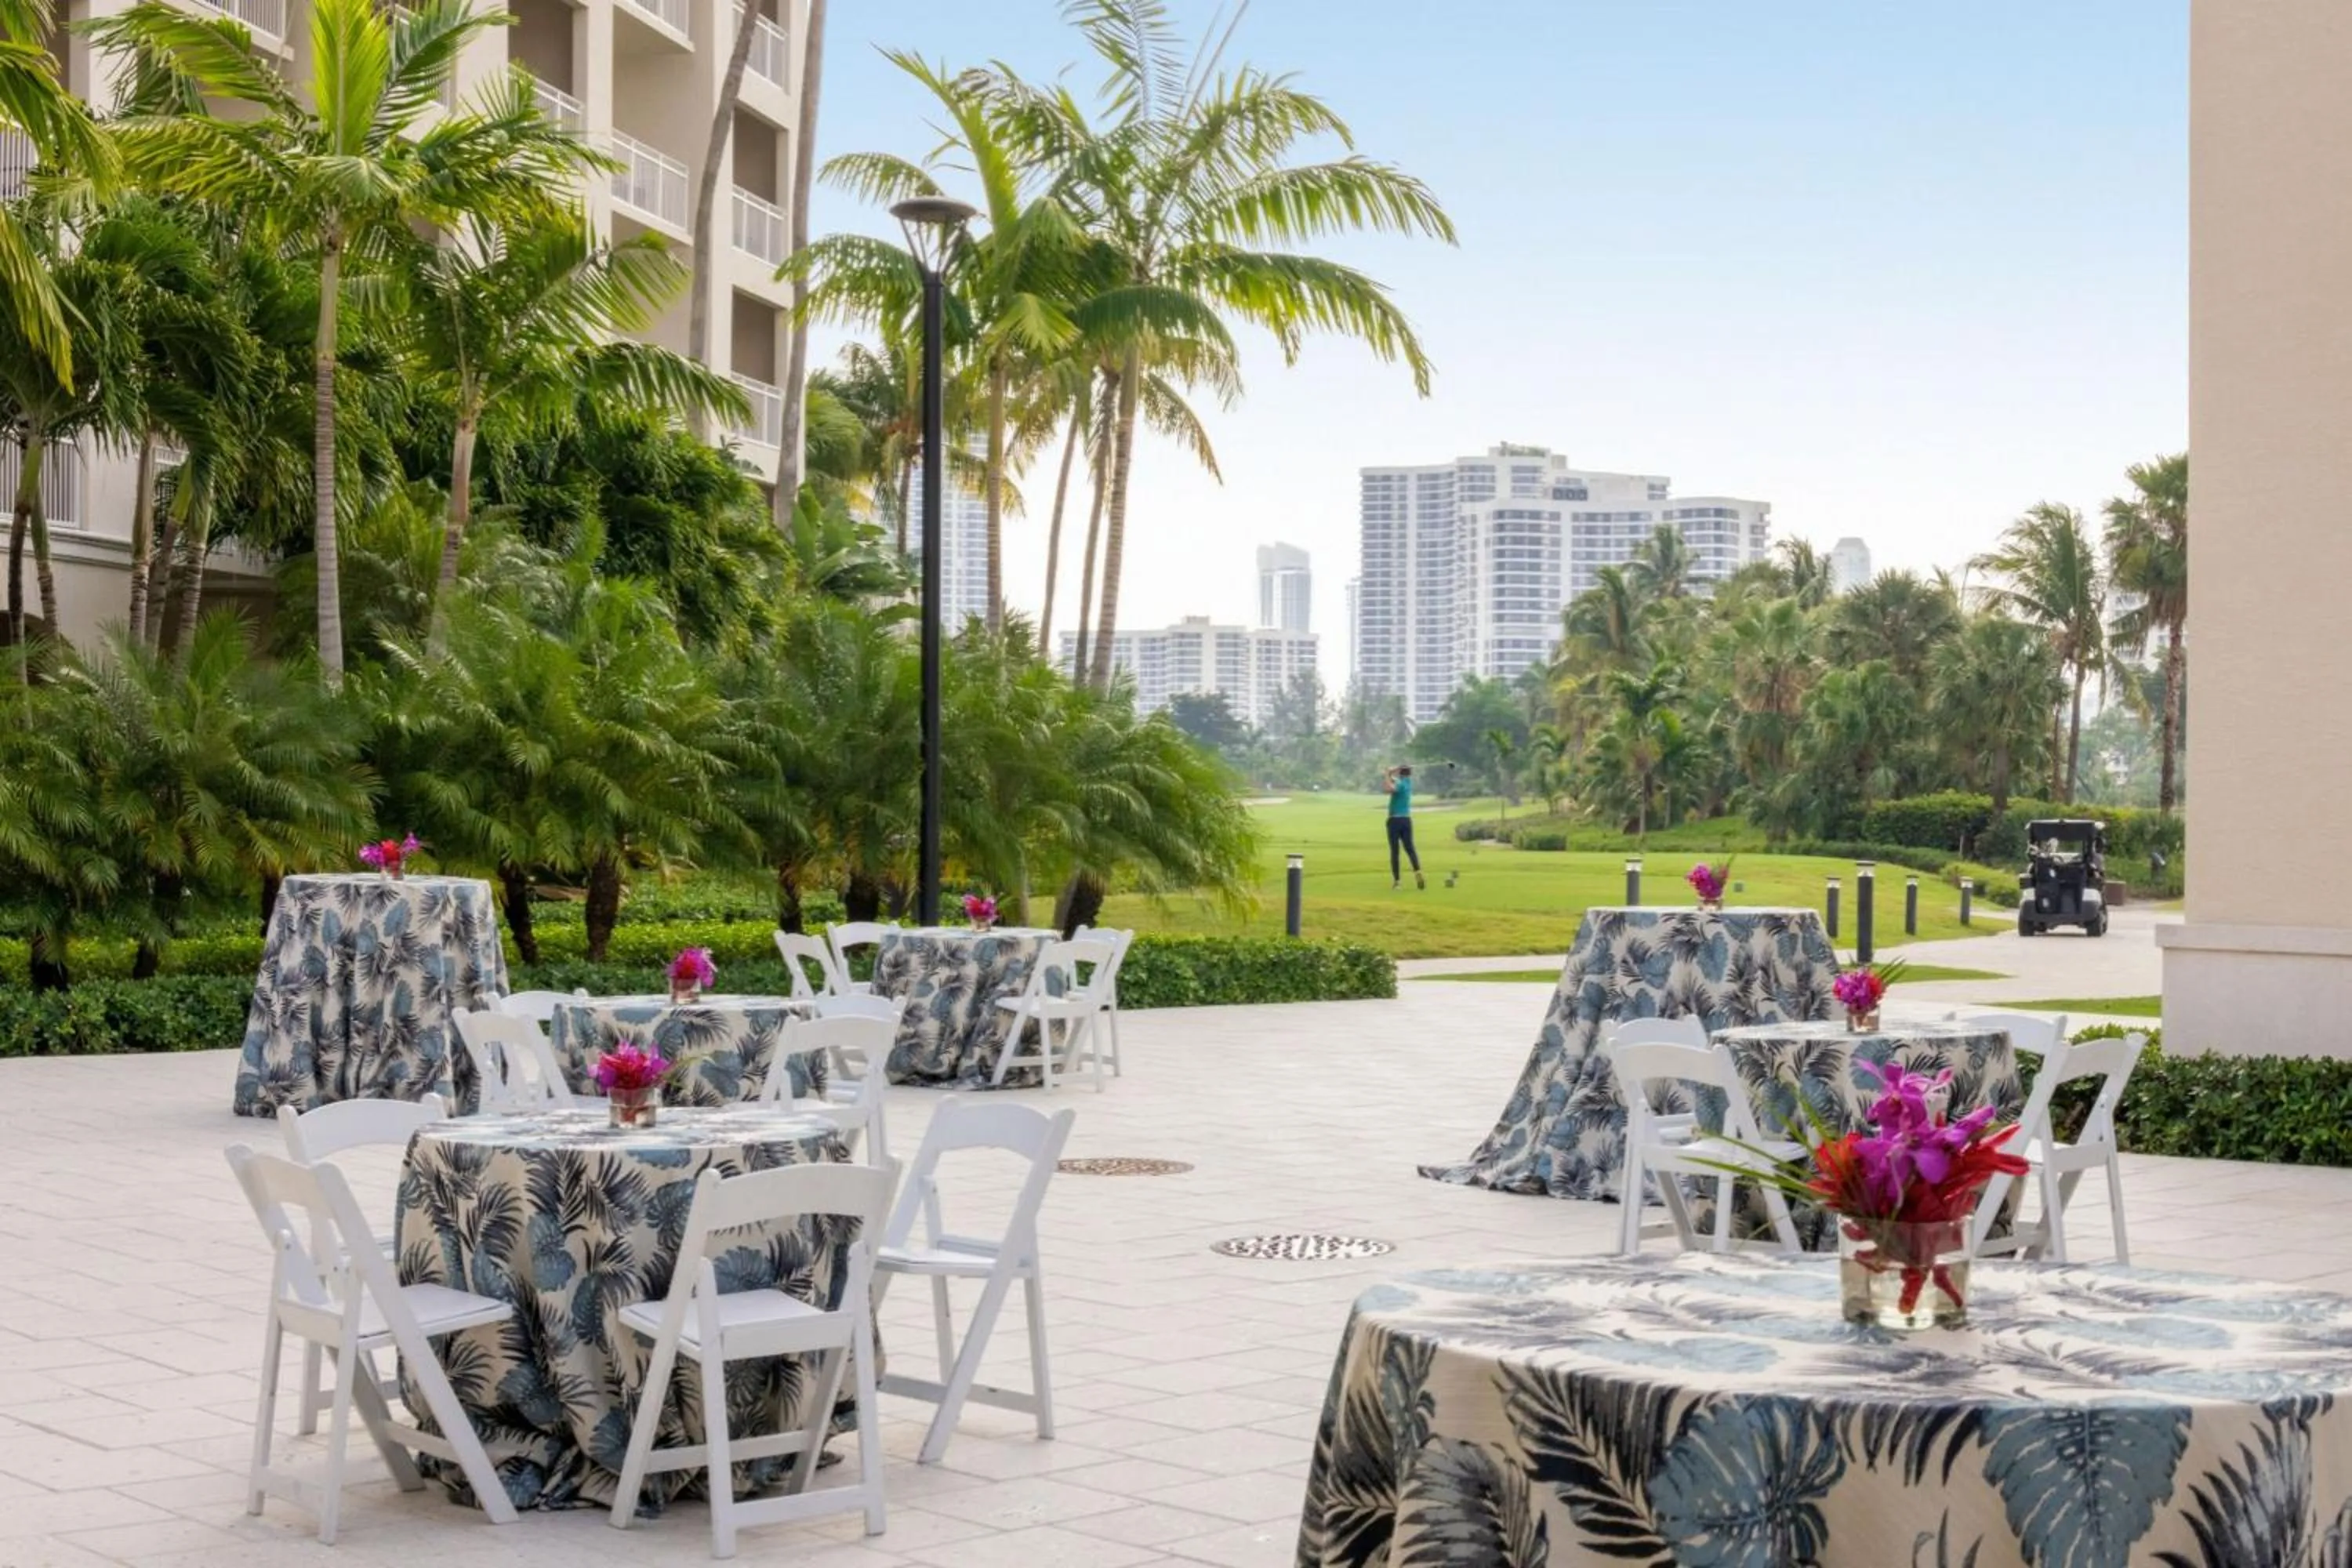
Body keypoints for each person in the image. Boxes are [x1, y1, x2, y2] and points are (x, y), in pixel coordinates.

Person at [1382, 765, 1424, 890]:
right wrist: (1391, 773)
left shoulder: (1400, 784)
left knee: (1395, 851)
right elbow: (1394, 781)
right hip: (1406, 820)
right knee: (1410, 849)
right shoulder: (1408, 783)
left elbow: (1389, 789)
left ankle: (1397, 882)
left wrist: (1387, 774)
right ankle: (1418, 872)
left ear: (1401, 773)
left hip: (1395, 820)